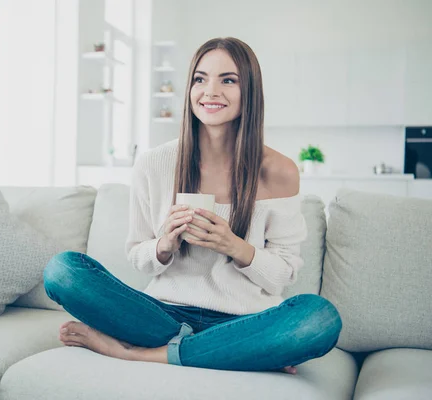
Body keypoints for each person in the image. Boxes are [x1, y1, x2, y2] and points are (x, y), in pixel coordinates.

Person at [43, 37, 342, 374]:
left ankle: (136, 353)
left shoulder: (279, 170)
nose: (210, 91)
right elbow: (137, 255)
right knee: (63, 270)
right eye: (200, 79)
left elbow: (283, 275)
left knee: (319, 318)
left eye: (228, 80)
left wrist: (234, 246)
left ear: (250, 92)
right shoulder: (154, 163)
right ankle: (231, 353)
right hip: (162, 315)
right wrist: (164, 246)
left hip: (244, 320)